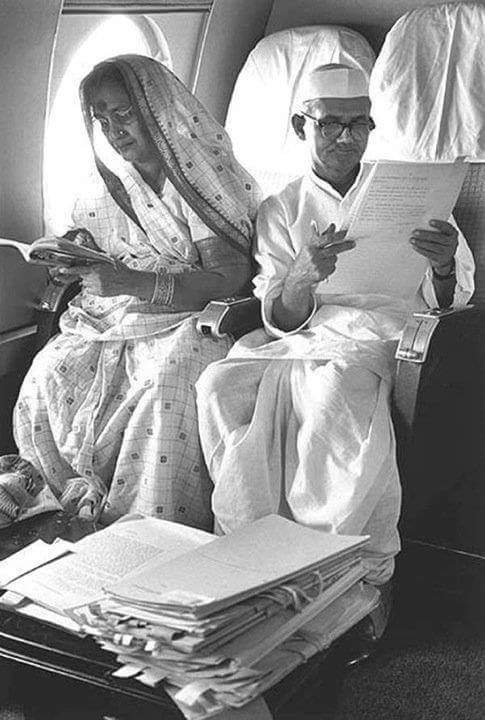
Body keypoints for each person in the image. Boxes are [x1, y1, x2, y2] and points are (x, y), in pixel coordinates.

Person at [196, 64, 475, 585]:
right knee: (217, 384)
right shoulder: (282, 208)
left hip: (387, 328)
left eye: (359, 124)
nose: (347, 138)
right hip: (304, 333)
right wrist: (301, 278)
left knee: (330, 395)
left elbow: (454, 300)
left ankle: (334, 565)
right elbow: (277, 315)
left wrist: (440, 263)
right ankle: (252, 552)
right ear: (302, 127)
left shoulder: (411, 191)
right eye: (330, 125)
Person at [10, 54, 259, 530]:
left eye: (123, 115)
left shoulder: (198, 174)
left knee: (164, 384)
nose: (113, 130)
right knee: (51, 369)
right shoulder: (109, 182)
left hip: (193, 313)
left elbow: (230, 278)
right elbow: (106, 243)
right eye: (102, 120)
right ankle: (68, 510)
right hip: (120, 309)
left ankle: (148, 528)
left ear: (156, 110)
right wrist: (77, 257)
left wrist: (131, 281)